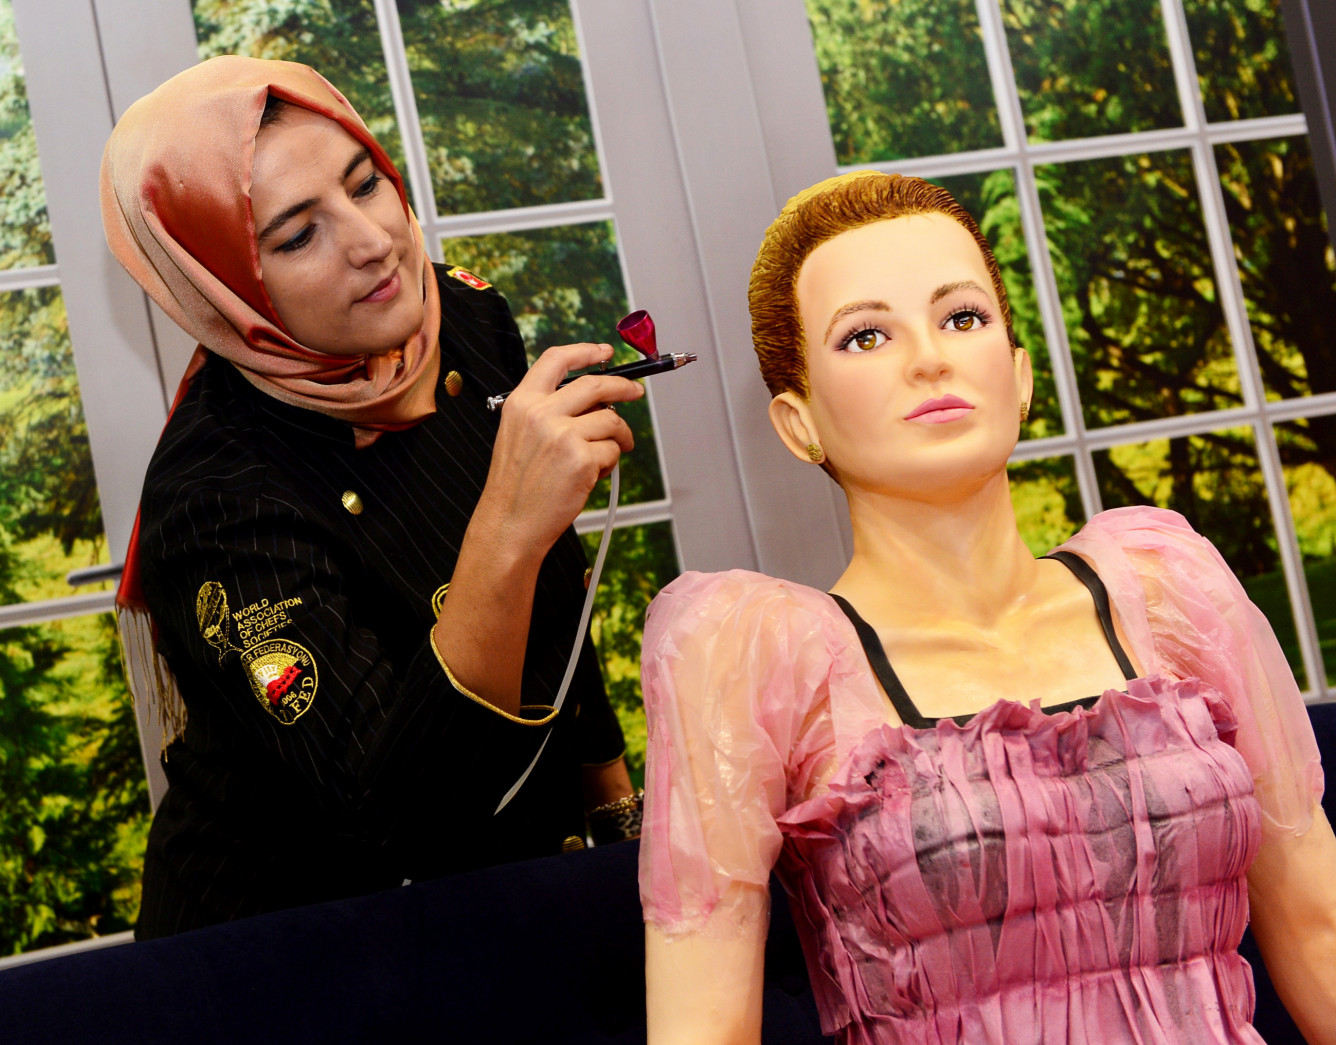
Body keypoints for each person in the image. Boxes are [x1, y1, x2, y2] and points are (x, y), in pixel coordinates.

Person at [637, 171, 1336, 1044]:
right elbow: (703, 1026)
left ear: (1021, 373)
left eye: (961, 317)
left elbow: (1320, 925)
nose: (929, 358)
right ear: (798, 422)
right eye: (865, 336)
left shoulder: (1167, 587)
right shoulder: (753, 654)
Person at [100, 55, 643, 938]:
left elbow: (559, 607)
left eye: (365, 184)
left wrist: (616, 812)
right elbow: (393, 820)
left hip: (505, 896)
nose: (372, 241)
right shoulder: (215, 496)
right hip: (296, 947)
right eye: (297, 236)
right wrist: (506, 527)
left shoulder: (461, 317)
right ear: (224, 282)